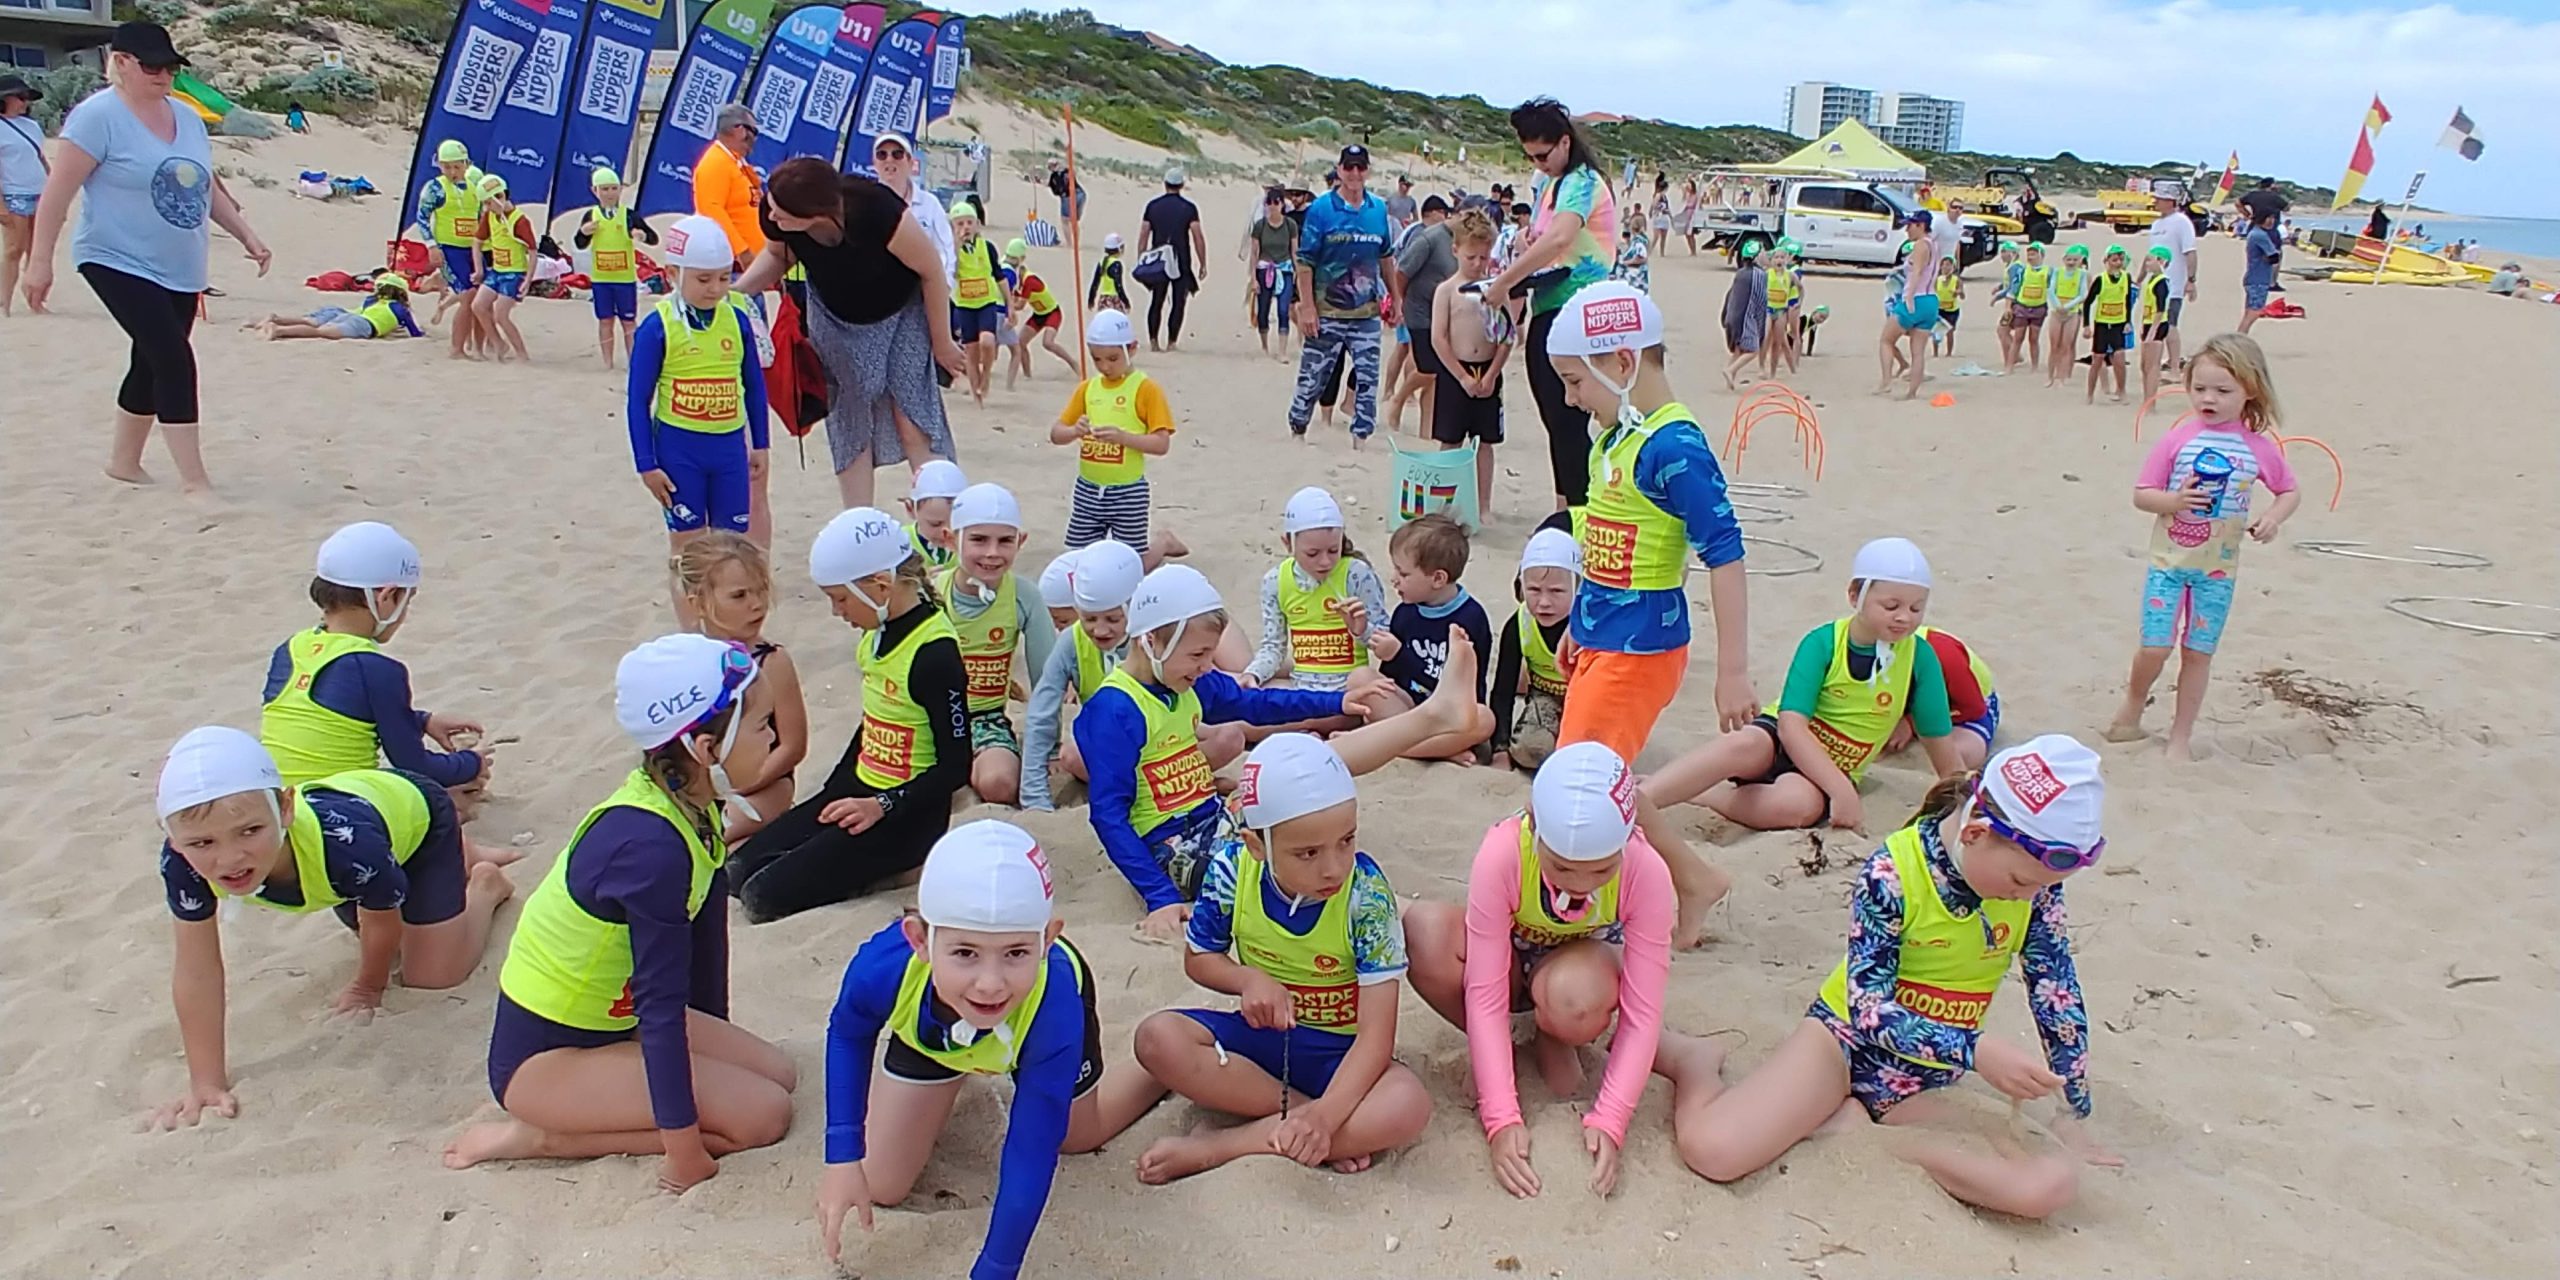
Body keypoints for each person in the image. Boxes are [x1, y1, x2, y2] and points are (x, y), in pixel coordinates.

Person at [1672, 736, 2119, 1218]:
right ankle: (1694, 1063)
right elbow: (1867, 1009)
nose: (2027, 898)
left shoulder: (2035, 888)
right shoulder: (1892, 872)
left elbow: (2056, 992)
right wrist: (1974, 1049)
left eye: (2041, 887)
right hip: (1843, 1044)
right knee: (1712, 1150)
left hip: (1924, 1077)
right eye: (2019, 883)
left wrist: (2074, 1109)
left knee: (2047, 1186)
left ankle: (1867, 1136)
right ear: (1974, 833)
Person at [444, 635, 796, 1190]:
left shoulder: (688, 801)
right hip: (546, 1061)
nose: (775, 736)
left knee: (780, 1076)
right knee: (762, 1118)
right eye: (761, 726)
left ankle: (618, 1105)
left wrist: (715, 1050)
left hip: (614, 1023)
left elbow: (702, 945)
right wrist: (684, 1150)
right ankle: (540, 1137)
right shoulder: (649, 848)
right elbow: (659, 1005)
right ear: (705, 749)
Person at [815, 821, 1167, 1274]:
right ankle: (955, 1073)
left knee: (1075, 1136)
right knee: (879, 1181)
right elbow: (847, 1033)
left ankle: (1153, 1068)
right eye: (964, 953)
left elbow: (1030, 1147)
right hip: (938, 1039)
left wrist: (997, 1267)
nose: (989, 983)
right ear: (919, 939)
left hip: (1032, 1031)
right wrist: (841, 1155)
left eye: (1017, 953)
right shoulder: (883, 968)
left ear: (1048, 940)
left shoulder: (1054, 1004)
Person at [1132, 729, 1463, 1183]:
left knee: (1408, 1104)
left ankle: (1224, 1145)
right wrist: (1247, 980)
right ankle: (1304, 1126)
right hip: (1263, 1043)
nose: (1332, 867)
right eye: (1308, 853)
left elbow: (1375, 1038)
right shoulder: (1233, 869)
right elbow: (1199, 958)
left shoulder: (1365, 895)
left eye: (1346, 841)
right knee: (1157, 1038)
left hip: (1340, 1053)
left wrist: (1329, 1115)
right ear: (1256, 846)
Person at [147, 727, 513, 1129]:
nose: (230, 859)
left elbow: (380, 918)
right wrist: (207, 1082)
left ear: (285, 808)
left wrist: (368, 987)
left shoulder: (348, 847)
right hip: (360, 843)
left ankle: (483, 884)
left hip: (412, 817)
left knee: (431, 975)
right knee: (386, 910)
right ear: (174, 839)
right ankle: (463, 861)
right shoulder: (181, 862)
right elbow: (197, 967)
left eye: (250, 831)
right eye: (202, 844)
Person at [1403, 741, 1709, 1199]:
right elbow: (1485, 994)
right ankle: (1501, 1051)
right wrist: (1501, 1117)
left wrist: (1611, 1118)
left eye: (1601, 870)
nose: (1580, 884)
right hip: (1507, 965)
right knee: (1425, 934)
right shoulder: (1504, 852)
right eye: (1562, 867)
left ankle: (1552, 1032)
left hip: (1579, 969)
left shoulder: (1646, 871)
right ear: (1533, 824)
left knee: (1575, 1002)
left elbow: (1643, 1012)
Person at [1542, 282, 1749, 945]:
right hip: (1605, 638)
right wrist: (1580, 623)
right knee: (1598, 778)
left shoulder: (1674, 447)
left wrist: (1733, 672)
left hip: (1642, 648)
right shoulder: (1614, 438)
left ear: (1622, 364)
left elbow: (1726, 553)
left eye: (1576, 381)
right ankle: (1691, 879)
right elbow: (1604, 540)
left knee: (1583, 784)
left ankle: (1679, 883)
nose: (1572, 398)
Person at [1076, 566, 1387, 940]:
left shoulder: (1184, 682)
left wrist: (1337, 701)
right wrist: (1160, 896)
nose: (1207, 666)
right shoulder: (1114, 711)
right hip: (1171, 845)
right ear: (1151, 642)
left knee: (1290, 804)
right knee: (1278, 856)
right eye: (1198, 654)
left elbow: (1254, 703)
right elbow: (1108, 814)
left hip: (1213, 817)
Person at [24, 20, 269, 494]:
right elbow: (57, 194)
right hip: (114, 257)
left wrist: (246, 236)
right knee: (173, 357)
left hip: (180, 265)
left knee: (150, 358)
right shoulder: (98, 117)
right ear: (120, 63)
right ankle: (195, 481)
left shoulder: (188, 118)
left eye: (170, 67)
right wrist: (40, 262)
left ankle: (124, 462)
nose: (162, 75)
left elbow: (203, 186)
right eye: (152, 66)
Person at [727, 509, 969, 921]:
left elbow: (957, 767)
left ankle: (898, 869)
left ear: (880, 586)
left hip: (905, 816)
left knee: (762, 898)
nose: (837, 611)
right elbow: (874, 723)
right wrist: (833, 791)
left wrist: (880, 805)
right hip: (860, 789)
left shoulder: (934, 653)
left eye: (840, 598)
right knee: (735, 874)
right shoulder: (875, 636)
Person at [1639, 537, 1967, 833]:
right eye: (1891, 606)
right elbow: (1791, 725)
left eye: (1916, 608)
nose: (1904, 618)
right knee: (1744, 744)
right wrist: (1841, 792)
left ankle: (1711, 795)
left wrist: (1965, 798)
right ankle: (1638, 800)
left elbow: (1938, 740)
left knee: (1797, 807)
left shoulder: (1920, 659)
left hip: (1828, 770)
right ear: (1855, 595)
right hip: (1782, 741)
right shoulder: (1824, 642)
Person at [2108, 333, 2299, 762]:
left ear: (2250, 390)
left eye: (2222, 391)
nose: (2208, 398)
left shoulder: (2257, 448)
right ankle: (2134, 703)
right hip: (2168, 565)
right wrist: (2173, 502)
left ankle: (2180, 737)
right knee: (2155, 647)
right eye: (2199, 389)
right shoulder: (2178, 440)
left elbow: (2288, 490)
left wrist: (2272, 519)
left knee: (2197, 653)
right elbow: (2143, 493)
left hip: (2218, 572)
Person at [738, 157, 965, 509]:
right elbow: (778, 258)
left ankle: (939, 515)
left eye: (782, 212)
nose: (772, 217)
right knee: (850, 418)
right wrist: (736, 293)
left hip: (901, 312)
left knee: (912, 412)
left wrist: (943, 343)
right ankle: (859, 521)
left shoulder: (875, 208)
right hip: (833, 317)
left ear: (814, 213)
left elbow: (931, 270)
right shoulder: (778, 217)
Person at [261, 522, 495, 818]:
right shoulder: (378, 668)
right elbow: (414, 765)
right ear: (386, 597)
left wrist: (423, 721)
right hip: (341, 813)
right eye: (406, 602)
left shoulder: (289, 649)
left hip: (280, 807)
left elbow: (333, 713)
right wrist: (472, 762)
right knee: (432, 793)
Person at [1483, 98, 1616, 508]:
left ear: (1563, 143)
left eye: (1543, 154)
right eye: (1531, 156)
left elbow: (1561, 238)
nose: (1538, 163)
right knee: (1556, 416)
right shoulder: (1548, 184)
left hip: (1578, 308)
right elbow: (1543, 237)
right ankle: (1568, 505)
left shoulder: (1581, 181)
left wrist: (1504, 283)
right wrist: (1525, 243)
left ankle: (1580, 507)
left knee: (1570, 415)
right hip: (1550, 302)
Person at [628, 215, 769, 564]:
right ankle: (689, 623)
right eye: (703, 279)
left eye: (724, 277)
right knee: (688, 553)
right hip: (679, 452)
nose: (716, 288)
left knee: (730, 551)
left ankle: (720, 621)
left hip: (729, 450)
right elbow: (637, 401)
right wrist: (646, 465)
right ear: (673, 274)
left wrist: (762, 445)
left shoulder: (736, 319)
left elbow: (754, 386)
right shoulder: (657, 326)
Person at [1020, 541, 1198, 812]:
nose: (1100, 630)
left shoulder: (1156, 637)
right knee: (1073, 755)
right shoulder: (1071, 642)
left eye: (1113, 619)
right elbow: (1041, 711)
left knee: (1228, 736)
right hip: (1110, 748)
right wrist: (1034, 797)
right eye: (1090, 619)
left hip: (1166, 747)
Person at [671, 533, 805, 842]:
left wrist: (740, 785)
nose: (757, 604)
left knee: (716, 833)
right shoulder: (689, 661)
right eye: (740, 596)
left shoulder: (772, 661)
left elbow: (792, 746)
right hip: (702, 783)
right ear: (698, 603)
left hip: (765, 784)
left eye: (761, 591)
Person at [939, 483, 1050, 808]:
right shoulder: (930, 593)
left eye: (1005, 541)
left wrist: (1050, 747)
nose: (992, 552)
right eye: (978, 539)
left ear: (1021, 542)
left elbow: (1046, 680)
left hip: (985, 719)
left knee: (1000, 784)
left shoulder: (1024, 596)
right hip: (930, 720)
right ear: (950, 539)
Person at [1286, 145, 1400, 447]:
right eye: (1348, 167)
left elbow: (1386, 257)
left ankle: (1360, 437)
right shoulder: (1321, 209)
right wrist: (1307, 307)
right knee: (1314, 377)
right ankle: (1299, 427)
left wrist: (1396, 299)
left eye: (1360, 167)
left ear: (1367, 171)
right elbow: (1306, 261)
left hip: (1366, 314)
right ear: (1339, 170)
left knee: (1367, 378)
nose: (1354, 174)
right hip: (1327, 312)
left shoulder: (1377, 209)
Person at [1369, 512, 1498, 760]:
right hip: (1409, 710)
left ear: (1438, 578)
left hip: (1449, 715)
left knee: (1485, 718)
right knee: (1363, 681)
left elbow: (1457, 689)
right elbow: (1391, 679)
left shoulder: (1471, 618)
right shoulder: (1405, 612)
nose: (1394, 579)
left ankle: (1399, 747)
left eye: (1404, 574)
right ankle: (1440, 751)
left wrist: (1399, 654)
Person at [1243, 487, 1392, 699]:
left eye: (1333, 550)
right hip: (1302, 691)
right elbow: (1274, 646)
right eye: (1312, 553)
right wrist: (1254, 674)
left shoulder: (1355, 574)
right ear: (1288, 543)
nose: (1325, 562)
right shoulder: (1275, 581)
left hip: (1350, 691)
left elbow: (1386, 642)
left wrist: (1361, 630)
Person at [1050, 309, 1175, 556]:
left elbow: (1161, 444)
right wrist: (1075, 431)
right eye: (1096, 359)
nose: (1104, 366)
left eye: (1113, 358)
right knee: (1078, 557)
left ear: (1132, 349)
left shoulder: (1146, 389)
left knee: (1129, 563)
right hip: (1087, 489)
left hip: (1128, 492)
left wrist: (1124, 438)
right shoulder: (1087, 388)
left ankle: (1162, 545)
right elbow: (1056, 433)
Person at [1429, 209, 1509, 514]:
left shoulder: (1494, 289)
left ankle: (1482, 504)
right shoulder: (1446, 291)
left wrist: (1491, 375)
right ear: (1456, 251)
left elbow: (1506, 336)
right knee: (1450, 441)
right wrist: (1461, 376)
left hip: (1488, 371)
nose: (1477, 264)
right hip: (1455, 372)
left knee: (1485, 442)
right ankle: (1444, 502)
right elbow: (1439, 338)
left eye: (1483, 258)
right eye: (1471, 257)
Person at [1489, 528, 1578, 772]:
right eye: (1534, 590)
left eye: (1557, 591)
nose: (1544, 602)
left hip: (1584, 700)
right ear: (1521, 587)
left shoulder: (1590, 626)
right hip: (1546, 698)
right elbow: (1502, 691)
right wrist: (1500, 749)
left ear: (1578, 587)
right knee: (1530, 752)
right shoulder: (1519, 624)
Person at [575, 166, 657, 368]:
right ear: (595, 191)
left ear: (620, 189)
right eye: (604, 189)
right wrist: (584, 232)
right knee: (605, 321)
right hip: (601, 280)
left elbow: (654, 238)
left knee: (628, 322)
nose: (609, 193)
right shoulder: (591, 215)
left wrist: (642, 235)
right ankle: (607, 363)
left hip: (625, 279)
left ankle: (634, 361)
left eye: (613, 188)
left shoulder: (629, 215)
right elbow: (579, 243)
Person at [407, 140, 483, 356]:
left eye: (457, 167)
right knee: (468, 295)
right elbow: (421, 217)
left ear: (466, 164)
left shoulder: (475, 184)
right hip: (449, 249)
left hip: (473, 249)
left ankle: (476, 345)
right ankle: (456, 348)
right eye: (446, 167)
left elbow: (481, 214)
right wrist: (431, 245)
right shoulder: (435, 188)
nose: (452, 172)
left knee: (480, 298)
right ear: (439, 165)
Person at [1390, 195, 1457, 431]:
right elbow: (1401, 272)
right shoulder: (1426, 237)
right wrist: (1399, 303)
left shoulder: (1461, 242)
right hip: (1418, 310)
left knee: (1435, 374)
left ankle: (1426, 428)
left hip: (1444, 313)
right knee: (1429, 367)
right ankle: (1397, 398)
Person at [941, 199, 1006, 406]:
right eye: (959, 224)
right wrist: (956, 246)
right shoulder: (950, 250)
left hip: (987, 302)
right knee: (971, 351)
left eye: (969, 223)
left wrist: (1010, 304)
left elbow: (999, 275)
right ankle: (976, 394)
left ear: (977, 224)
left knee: (987, 342)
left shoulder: (987, 247)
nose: (965, 228)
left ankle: (986, 375)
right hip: (964, 305)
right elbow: (952, 271)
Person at [691, 103, 767, 274]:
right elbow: (711, 211)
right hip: (732, 265)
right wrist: (743, 252)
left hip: (746, 265)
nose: (755, 140)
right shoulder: (716, 163)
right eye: (753, 132)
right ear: (739, 129)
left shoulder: (733, 161)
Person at [1137, 166, 1206, 350]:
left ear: (1165, 184)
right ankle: (1171, 342)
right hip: (1181, 259)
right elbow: (1197, 236)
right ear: (1182, 185)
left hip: (1158, 259)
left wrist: (1141, 258)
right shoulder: (1189, 208)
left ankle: (1153, 341)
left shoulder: (1152, 206)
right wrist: (1203, 263)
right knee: (1178, 301)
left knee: (1157, 300)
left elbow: (1144, 233)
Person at [469, 173, 533, 363]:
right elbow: (477, 241)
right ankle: (498, 343)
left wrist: (528, 280)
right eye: (485, 203)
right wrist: (479, 269)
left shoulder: (520, 220)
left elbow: (533, 251)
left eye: (490, 203)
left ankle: (522, 353)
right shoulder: (489, 216)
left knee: (501, 314)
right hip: (497, 270)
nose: (487, 207)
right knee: (478, 306)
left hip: (514, 272)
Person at [1876, 213, 1939, 399]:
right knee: (1918, 352)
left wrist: (1908, 297)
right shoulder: (1934, 244)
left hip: (1916, 299)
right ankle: (1911, 392)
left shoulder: (1921, 245)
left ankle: (1886, 382)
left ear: (1920, 225)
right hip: (1931, 300)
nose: (1906, 230)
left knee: (1886, 340)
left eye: (1910, 226)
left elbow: (1917, 272)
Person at [250, 275, 422, 341]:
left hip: (353, 316)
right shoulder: (400, 308)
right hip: (365, 325)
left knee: (315, 325)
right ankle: (279, 330)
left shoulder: (371, 300)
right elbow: (415, 331)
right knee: (320, 332)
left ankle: (277, 322)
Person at [0, 72, 46, 316]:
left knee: (36, 250)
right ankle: (4, 303)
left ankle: (36, 302)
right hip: (13, 194)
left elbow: (40, 158)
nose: (24, 102)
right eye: (19, 97)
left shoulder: (32, 126)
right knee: (12, 250)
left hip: (39, 192)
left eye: (26, 97)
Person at [1001, 238, 1076, 387]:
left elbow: (1021, 305)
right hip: (1039, 314)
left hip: (1052, 312)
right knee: (1021, 343)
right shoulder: (1017, 281)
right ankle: (1028, 375)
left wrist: (1005, 305)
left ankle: (1073, 363)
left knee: (1048, 343)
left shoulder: (1030, 281)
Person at [2149, 185, 2198, 369]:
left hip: (2174, 283)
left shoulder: (2182, 222)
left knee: (2170, 322)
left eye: (2159, 199)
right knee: (2157, 322)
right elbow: (2152, 255)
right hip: (2155, 282)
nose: (2155, 202)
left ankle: (2175, 365)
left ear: (2170, 201)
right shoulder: (2156, 224)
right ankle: (2168, 360)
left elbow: (2190, 252)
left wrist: (2191, 280)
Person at [1244, 189, 1297, 359]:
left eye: (1276, 203)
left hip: (1285, 269)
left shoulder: (1290, 225)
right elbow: (1254, 253)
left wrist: (1297, 272)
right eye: (1270, 203)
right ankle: (1264, 345)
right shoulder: (1260, 226)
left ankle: (1282, 350)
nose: (1273, 207)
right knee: (1263, 310)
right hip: (1264, 269)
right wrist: (1253, 278)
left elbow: (1294, 251)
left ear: (1282, 204)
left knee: (1283, 309)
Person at [2083, 244, 2135, 403]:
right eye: (2114, 260)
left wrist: (2128, 321)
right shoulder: (2101, 280)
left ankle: (2121, 390)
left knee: (2119, 358)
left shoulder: (2126, 277)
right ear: (2107, 261)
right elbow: (2088, 303)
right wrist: (2086, 325)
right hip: (2102, 325)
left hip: (2119, 324)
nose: (2118, 263)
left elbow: (2127, 300)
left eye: (2120, 259)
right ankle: (2090, 394)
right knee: (2097, 360)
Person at [1720, 239, 1768, 390]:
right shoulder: (1759, 274)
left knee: (1739, 350)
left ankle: (1729, 377)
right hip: (1746, 318)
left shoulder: (1740, 273)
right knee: (1753, 350)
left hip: (1733, 316)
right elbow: (1761, 300)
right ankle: (1730, 370)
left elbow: (1730, 294)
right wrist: (1761, 326)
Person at [903, 457, 966, 569]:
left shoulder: (975, 543)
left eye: (955, 523)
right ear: (910, 509)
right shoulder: (900, 543)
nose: (947, 531)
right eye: (935, 524)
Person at [2133, 244, 2176, 406]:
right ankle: (2147, 398)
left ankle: (2150, 402)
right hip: (2148, 322)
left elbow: (2160, 309)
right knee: (2144, 365)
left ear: (2161, 261)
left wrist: (2152, 331)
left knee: (2152, 366)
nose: (2147, 264)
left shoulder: (2161, 282)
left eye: (2150, 260)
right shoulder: (2152, 280)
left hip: (2157, 325)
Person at [2045, 244, 2089, 388]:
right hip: (2057, 311)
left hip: (2072, 312)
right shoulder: (2057, 272)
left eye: (2075, 260)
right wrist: (2058, 305)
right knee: (2054, 346)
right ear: (2064, 259)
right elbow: (2051, 290)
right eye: (2069, 259)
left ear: (2080, 261)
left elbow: (2082, 294)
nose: (2071, 262)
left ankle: (2062, 377)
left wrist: (2068, 307)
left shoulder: (2082, 274)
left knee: (2066, 346)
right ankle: (2051, 376)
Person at [2004, 240, 2051, 374]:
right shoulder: (2022, 271)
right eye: (2029, 254)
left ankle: (2034, 367)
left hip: (2039, 308)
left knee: (2034, 338)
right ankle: (2009, 366)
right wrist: (2008, 307)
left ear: (2041, 255)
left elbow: (2054, 289)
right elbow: (2013, 290)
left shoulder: (2048, 272)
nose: (2030, 257)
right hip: (2022, 307)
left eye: (2034, 254)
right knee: (2018, 337)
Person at [2239, 209, 2282, 333]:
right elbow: (2274, 257)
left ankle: (2241, 337)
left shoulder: (2255, 233)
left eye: (2273, 218)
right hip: (2258, 278)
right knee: (2254, 311)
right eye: (2268, 218)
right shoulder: (2260, 235)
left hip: (2254, 277)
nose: (2271, 222)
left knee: (2249, 311)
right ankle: (2240, 336)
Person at [1930, 255, 1964, 358]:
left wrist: (1957, 292)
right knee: (1936, 330)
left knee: (1950, 331)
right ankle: (1935, 352)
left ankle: (1949, 352)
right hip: (1939, 309)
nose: (1946, 268)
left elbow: (1963, 296)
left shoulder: (1957, 280)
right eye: (1944, 265)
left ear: (1953, 268)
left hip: (1952, 309)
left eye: (1948, 265)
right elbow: (1932, 292)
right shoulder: (1937, 280)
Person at [1613, 209, 1651, 295]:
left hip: (1635, 276)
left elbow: (1641, 257)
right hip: (1636, 275)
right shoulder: (1641, 238)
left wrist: (1625, 262)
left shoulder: (1639, 241)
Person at [1090, 230, 1128, 313]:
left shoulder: (1102, 262)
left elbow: (1095, 283)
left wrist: (1091, 299)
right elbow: (1118, 285)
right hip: (1114, 299)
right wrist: (1125, 301)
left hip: (1103, 299)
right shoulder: (1116, 264)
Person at [1385, 172, 1419, 238]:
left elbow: (1416, 219)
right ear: (1400, 184)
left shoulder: (1411, 201)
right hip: (1391, 230)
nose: (1407, 188)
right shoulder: (1390, 198)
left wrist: (1410, 222)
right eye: (1405, 185)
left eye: (1409, 186)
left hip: (1405, 231)